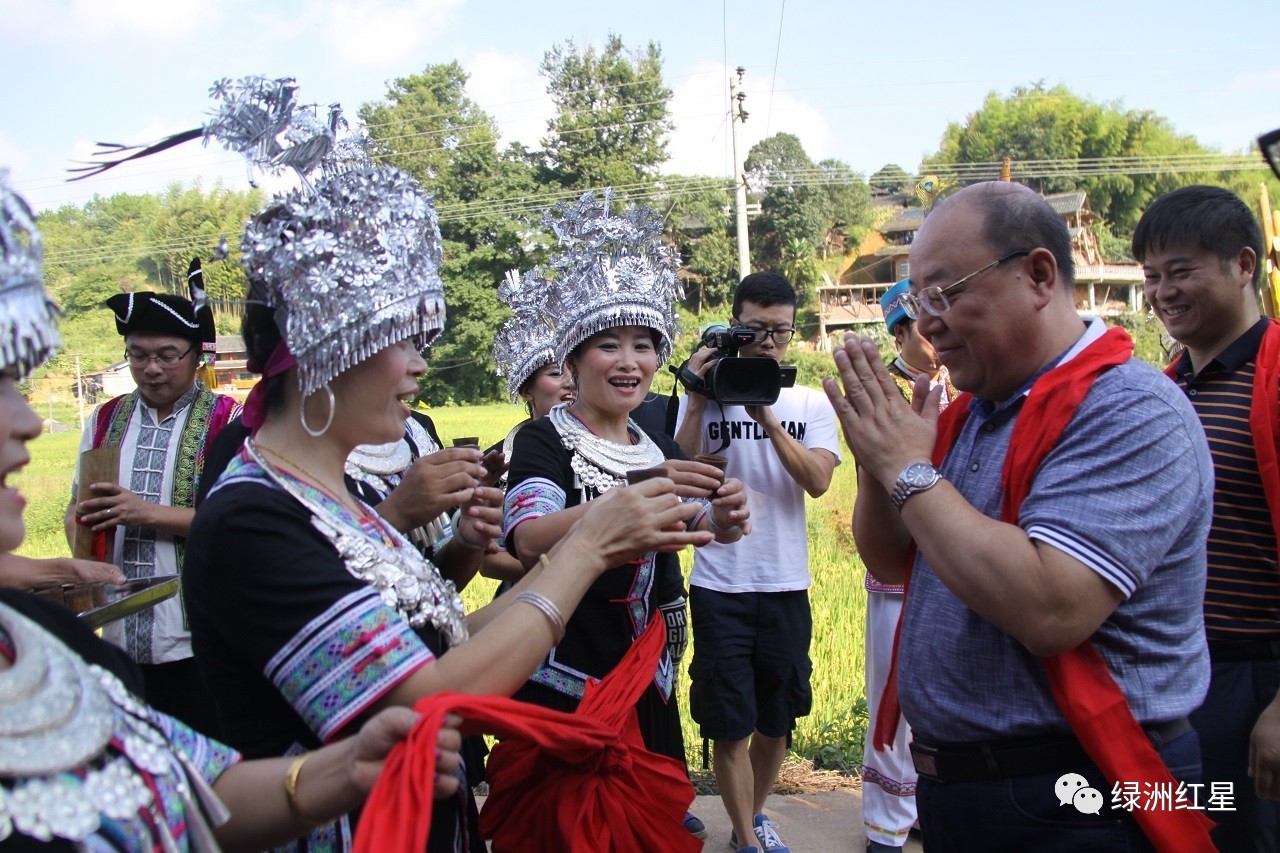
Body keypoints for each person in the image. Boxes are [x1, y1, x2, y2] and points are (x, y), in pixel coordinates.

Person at [185, 164, 713, 852]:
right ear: (326, 353)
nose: (419, 368)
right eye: (400, 343)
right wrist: (584, 549)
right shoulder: (254, 517)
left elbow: (448, 639)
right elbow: (424, 694)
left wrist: (595, 547)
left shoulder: (335, 497)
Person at [0, 169, 462, 852]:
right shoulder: (119, 427)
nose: (32, 421)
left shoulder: (40, 638)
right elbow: (223, 526)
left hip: (183, 638)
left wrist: (338, 769)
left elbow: (189, 784)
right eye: (137, 356)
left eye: (166, 354)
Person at [827, 180, 1214, 851]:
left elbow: (1051, 608)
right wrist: (877, 460)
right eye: (919, 301)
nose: (927, 324)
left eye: (946, 293)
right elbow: (894, 558)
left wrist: (910, 472)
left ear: (1038, 274)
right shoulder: (973, 413)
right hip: (968, 793)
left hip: (1080, 794)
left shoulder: (1127, 409)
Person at [502, 191, 751, 841]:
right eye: (608, 344)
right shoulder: (544, 440)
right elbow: (527, 539)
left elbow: (687, 527)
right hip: (565, 675)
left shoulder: (656, 441)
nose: (629, 361)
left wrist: (722, 517)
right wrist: (635, 494)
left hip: (646, 675)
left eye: (644, 344)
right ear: (574, 360)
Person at [1132, 184, 1280, 850]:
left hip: (1255, 679)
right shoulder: (1161, 392)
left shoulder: (1271, 381)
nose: (1163, 292)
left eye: (1182, 270)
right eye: (1152, 276)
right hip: (1174, 681)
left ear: (1243, 265)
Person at [673, 271, 841, 853]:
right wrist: (699, 392)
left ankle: (756, 813)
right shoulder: (705, 396)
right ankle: (746, 838)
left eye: (780, 332)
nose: (769, 342)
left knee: (778, 719)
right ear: (734, 327)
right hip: (720, 583)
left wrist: (764, 412)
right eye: (756, 331)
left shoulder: (810, 402)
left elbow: (818, 480)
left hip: (786, 582)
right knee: (728, 720)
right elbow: (683, 468)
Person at [62, 273, 238, 736]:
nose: (151, 369)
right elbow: (75, 507)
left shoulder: (230, 420)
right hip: (118, 635)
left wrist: (146, 513)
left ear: (197, 357)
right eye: (138, 356)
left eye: (166, 356)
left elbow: (239, 526)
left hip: (201, 641)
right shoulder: (105, 418)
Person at [857, 278, 955, 852]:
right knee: (893, 698)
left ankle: (924, 806)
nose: (938, 335)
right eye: (924, 322)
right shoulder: (884, 388)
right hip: (900, 567)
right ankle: (885, 823)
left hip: (956, 565)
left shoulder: (964, 379)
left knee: (943, 694)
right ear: (901, 330)